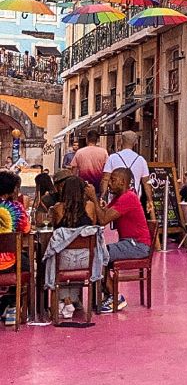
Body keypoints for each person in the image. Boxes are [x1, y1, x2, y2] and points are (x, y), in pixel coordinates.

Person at [94, 168, 153, 313]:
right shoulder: (119, 198)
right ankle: (108, 294)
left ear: (123, 182)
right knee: (100, 252)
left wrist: (93, 199)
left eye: (113, 180)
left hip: (137, 245)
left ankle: (115, 296)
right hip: (129, 243)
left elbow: (102, 220)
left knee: (99, 253)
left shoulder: (128, 197)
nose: (109, 184)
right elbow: (102, 214)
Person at [49, 176, 98, 320]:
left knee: (59, 260)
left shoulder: (58, 208)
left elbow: (54, 231)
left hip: (63, 260)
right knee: (76, 262)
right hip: (86, 259)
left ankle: (65, 301)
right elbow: (92, 228)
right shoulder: (90, 206)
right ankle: (71, 301)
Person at [0, 170, 31, 328]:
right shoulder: (16, 208)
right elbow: (26, 229)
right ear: (12, 190)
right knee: (27, 265)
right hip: (8, 263)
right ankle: (12, 304)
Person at [101, 131, 154, 211]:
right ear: (135, 143)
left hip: (115, 200)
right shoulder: (141, 160)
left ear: (121, 141)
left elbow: (105, 179)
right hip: (134, 200)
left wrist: (102, 197)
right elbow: (146, 183)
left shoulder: (112, 158)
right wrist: (150, 201)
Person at [71, 130, 108, 194]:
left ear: (87, 139)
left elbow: (74, 170)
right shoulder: (103, 152)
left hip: (83, 186)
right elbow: (107, 171)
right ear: (97, 140)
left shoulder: (79, 152)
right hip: (98, 186)